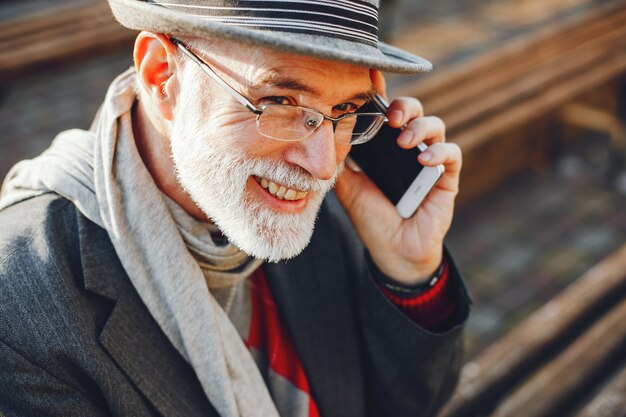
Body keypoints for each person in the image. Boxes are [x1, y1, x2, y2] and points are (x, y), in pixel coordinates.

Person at [0, 0, 472, 416]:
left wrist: (411, 272)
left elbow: (407, 405)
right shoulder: (22, 302)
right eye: (280, 101)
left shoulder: (309, 214)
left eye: (347, 110)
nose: (322, 163)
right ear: (161, 75)